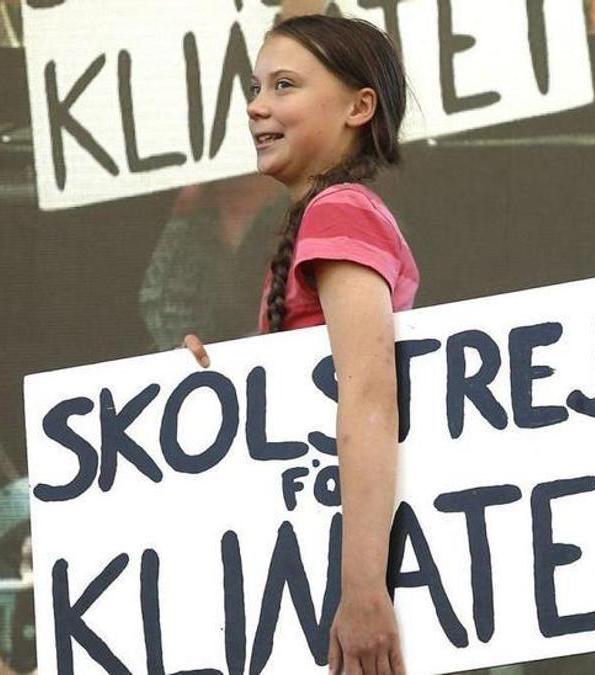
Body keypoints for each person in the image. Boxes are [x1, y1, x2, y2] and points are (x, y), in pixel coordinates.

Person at [181, 13, 417, 675]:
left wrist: (366, 590)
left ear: (357, 106)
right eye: (256, 87)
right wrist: (215, 388)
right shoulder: (329, 215)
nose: (257, 106)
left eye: (284, 85)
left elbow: (371, 395)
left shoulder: (339, 210)